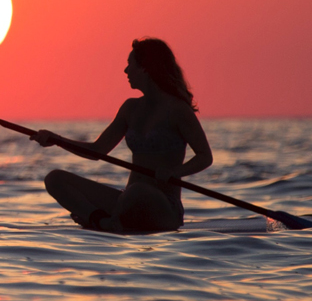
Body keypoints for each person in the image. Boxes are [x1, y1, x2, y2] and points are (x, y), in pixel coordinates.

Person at [34, 37, 215, 234]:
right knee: (55, 179)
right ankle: (100, 220)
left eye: (130, 65)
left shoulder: (178, 110)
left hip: (163, 208)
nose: (126, 71)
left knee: (137, 191)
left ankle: (103, 220)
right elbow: (98, 151)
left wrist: (176, 172)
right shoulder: (130, 108)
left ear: (146, 68)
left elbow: (205, 156)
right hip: (126, 200)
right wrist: (57, 140)